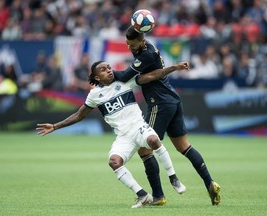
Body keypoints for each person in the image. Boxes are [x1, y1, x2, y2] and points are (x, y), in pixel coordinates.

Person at [36, 60, 189, 208]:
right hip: (123, 137)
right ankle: (143, 195)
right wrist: (55, 126)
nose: (109, 70)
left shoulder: (125, 81)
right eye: (103, 69)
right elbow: (79, 115)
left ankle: (173, 178)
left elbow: (152, 75)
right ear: (96, 77)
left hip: (139, 127)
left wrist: (174, 68)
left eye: (109, 67)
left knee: (154, 140)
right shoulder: (94, 95)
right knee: (114, 162)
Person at [113, 25, 221, 206]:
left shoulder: (146, 55)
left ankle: (158, 196)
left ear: (143, 41)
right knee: (184, 147)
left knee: (144, 148)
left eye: (133, 45)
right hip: (173, 100)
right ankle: (210, 183)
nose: (131, 48)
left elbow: (124, 76)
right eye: (129, 45)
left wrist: (107, 75)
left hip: (159, 104)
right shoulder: (145, 48)